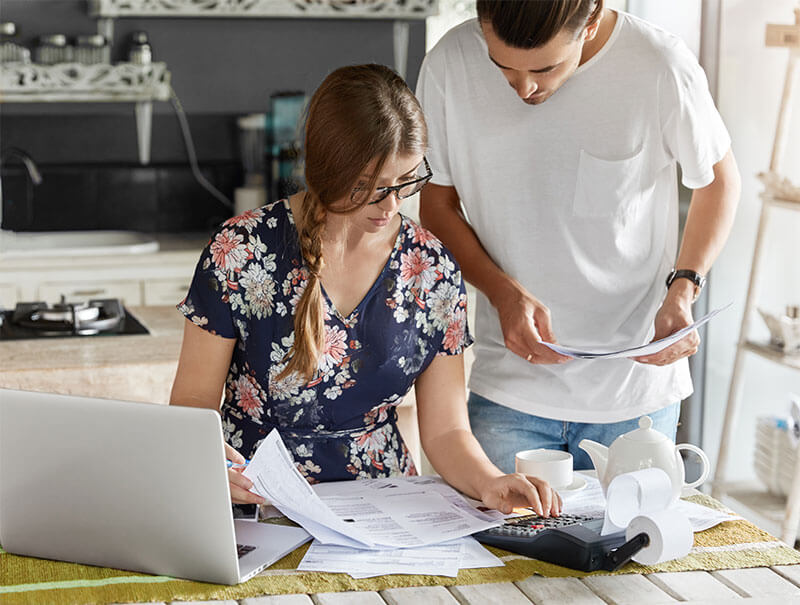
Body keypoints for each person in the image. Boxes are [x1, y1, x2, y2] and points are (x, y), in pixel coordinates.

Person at [170, 64, 560, 516]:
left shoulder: (431, 269)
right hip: (256, 505)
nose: (392, 206)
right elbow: (193, 406)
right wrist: (211, 465)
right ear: (326, 169)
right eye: (368, 189)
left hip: (385, 511)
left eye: (406, 182)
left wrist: (491, 482)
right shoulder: (239, 251)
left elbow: (446, 431)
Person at [416, 0, 741, 472]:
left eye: (544, 69)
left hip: (635, 397)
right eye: (502, 67)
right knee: (498, 546)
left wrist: (684, 288)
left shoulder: (660, 66)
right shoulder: (449, 63)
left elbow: (719, 182)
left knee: (630, 544)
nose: (523, 88)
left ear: (590, 22)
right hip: (509, 389)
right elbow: (437, 207)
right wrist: (502, 293)